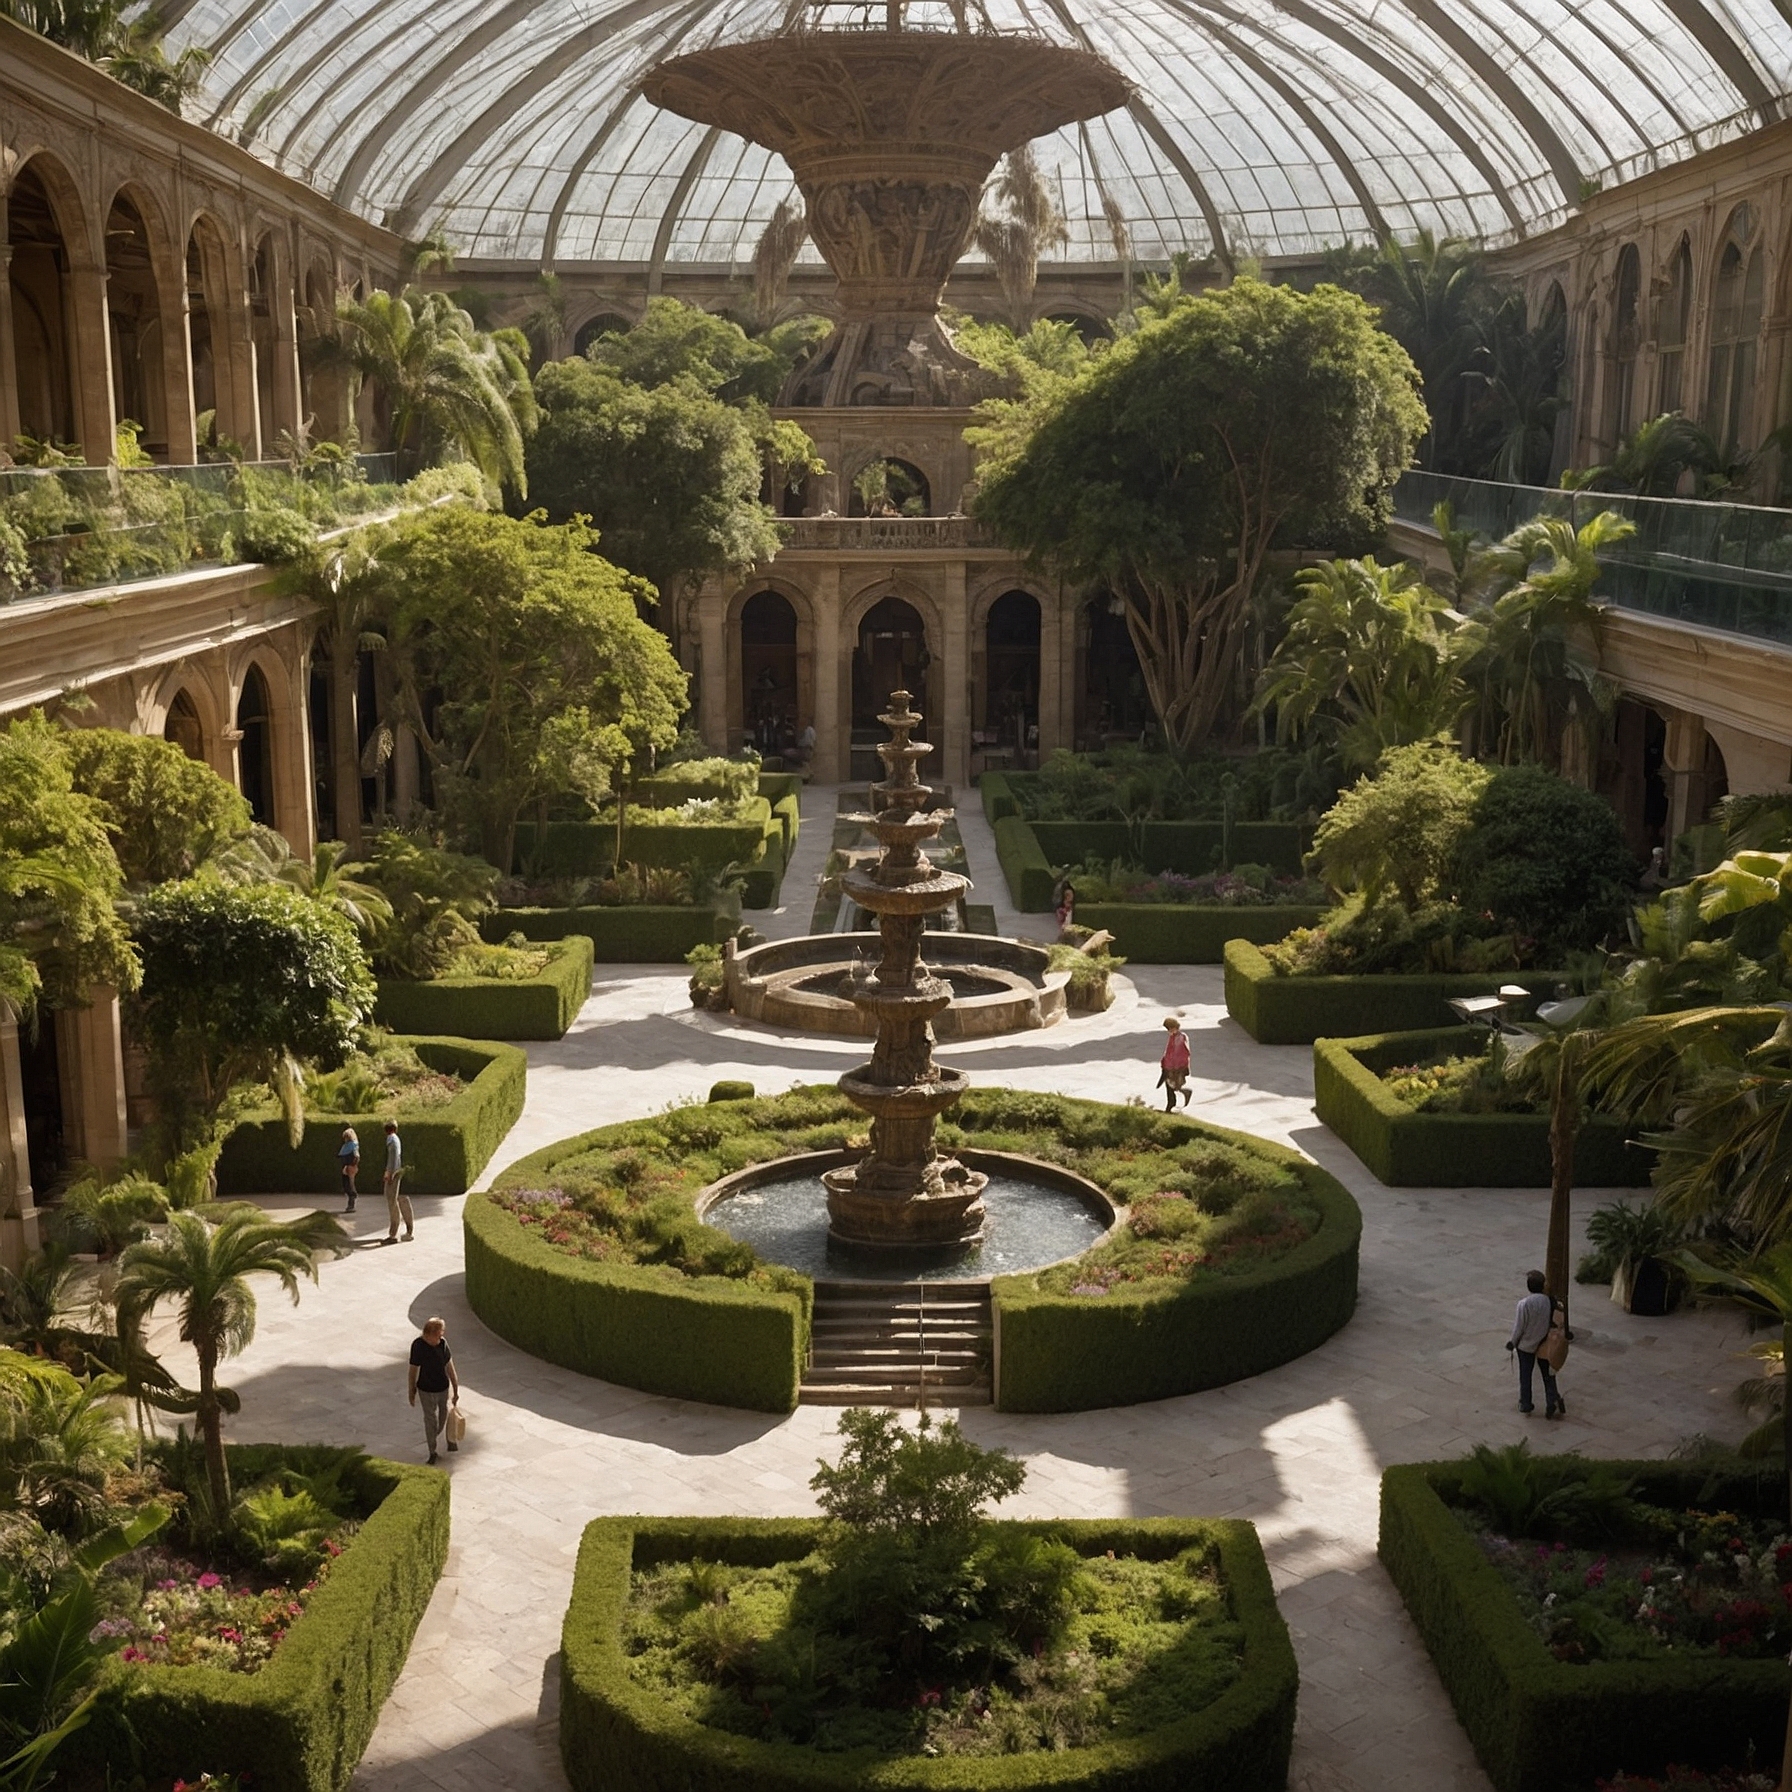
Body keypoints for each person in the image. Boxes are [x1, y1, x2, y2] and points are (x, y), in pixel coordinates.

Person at [1505, 1269, 1565, 1418]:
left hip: (1525, 1346)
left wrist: (1512, 1342)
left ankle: (1526, 1404)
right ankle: (1551, 1401)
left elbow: (1519, 1327)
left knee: (1525, 1375)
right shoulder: (1548, 1301)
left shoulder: (1524, 1304)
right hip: (1543, 1343)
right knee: (1547, 1374)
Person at [408, 1316, 460, 1464]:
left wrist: (456, 1388)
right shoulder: (418, 1345)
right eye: (438, 1335)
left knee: (443, 1417)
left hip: (442, 1388)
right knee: (430, 1420)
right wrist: (411, 1390)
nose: (440, 1338)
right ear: (429, 1334)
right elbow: (413, 1370)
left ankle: (443, 1437)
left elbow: (450, 1366)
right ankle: (432, 1451)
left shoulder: (443, 1344)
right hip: (425, 1389)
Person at [382, 1121, 413, 1245]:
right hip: (396, 1172)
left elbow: (393, 1158)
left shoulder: (391, 1140)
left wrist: (390, 1173)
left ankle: (393, 1234)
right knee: (398, 1200)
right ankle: (408, 1230)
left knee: (392, 1201)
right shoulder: (395, 1139)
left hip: (394, 1174)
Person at [1159, 1016, 1192, 1112]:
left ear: (1174, 1027)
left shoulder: (1181, 1037)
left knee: (1173, 1085)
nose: (1168, 1031)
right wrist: (1164, 1062)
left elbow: (1181, 1053)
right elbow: (1168, 1052)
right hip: (1170, 1066)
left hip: (1177, 1067)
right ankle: (1171, 1104)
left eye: (1169, 1029)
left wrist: (1176, 1067)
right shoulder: (1173, 1037)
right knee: (1171, 1085)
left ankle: (1182, 1095)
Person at [337, 1127, 360, 1213]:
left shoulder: (352, 1145)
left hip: (349, 1167)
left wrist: (351, 1165)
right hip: (347, 1167)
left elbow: (357, 1156)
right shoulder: (348, 1145)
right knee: (347, 1184)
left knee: (349, 1185)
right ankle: (352, 1200)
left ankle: (351, 1203)